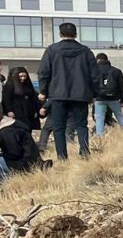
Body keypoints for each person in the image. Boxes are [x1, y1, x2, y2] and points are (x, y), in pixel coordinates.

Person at [36, 22, 96, 161]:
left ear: (60, 34)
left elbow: (43, 72)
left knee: (58, 127)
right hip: (81, 95)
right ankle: (85, 153)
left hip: (58, 94)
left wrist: (43, 91)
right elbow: (94, 74)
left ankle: (62, 157)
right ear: (76, 34)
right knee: (81, 125)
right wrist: (94, 94)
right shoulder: (86, 51)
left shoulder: (52, 50)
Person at [92, 53, 123, 137]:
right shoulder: (116, 71)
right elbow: (122, 87)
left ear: (97, 60)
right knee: (119, 115)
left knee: (99, 118)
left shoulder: (93, 71)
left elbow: (90, 85)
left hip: (99, 99)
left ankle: (100, 137)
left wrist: (91, 98)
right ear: (107, 59)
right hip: (114, 98)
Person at [3, 66, 43, 133]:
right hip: (16, 111)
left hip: (28, 111)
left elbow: (33, 97)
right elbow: (7, 99)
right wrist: (9, 110)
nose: (23, 78)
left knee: (28, 127)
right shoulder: (10, 85)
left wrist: (35, 110)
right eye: (20, 76)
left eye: (25, 76)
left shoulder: (27, 85)